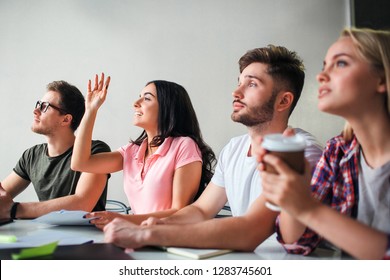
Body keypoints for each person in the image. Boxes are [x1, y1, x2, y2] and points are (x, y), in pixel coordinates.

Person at [102, 45, 323, 251]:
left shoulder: (304, 154)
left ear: (283, 101)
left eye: (252, 84)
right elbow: (201, 210)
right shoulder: (234, 149)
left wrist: (152, 234)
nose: (236, 92)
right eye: (239, 82)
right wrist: (160, 222)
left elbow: (250, 230)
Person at [260, 28, 390, 259]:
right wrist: (292, 193)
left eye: (340, 64)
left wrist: (308, 209)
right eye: (324, 66)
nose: (321, 76)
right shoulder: (337, 152)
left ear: (381, 79)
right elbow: (298, 242)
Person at [71, 74, 216, 227]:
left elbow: (179, 212)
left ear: (167, 107)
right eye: (139, 97)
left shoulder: (184, 146)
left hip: (169, 239)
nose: (136, 103)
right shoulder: (131, 151)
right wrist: (91, 110)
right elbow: (80, 163)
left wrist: (122, 219)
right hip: (135, 236)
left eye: (146, 98)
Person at [0, 81, 111, 220]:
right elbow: (2, 194)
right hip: (45, 236)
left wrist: (14, 210)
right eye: (38, 105)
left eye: (45, 106)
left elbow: (83, 203)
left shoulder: (96, 151)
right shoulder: (31, 156)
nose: (36, 111)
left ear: (66, 120)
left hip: (89, 238)